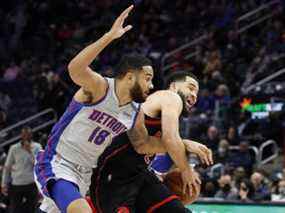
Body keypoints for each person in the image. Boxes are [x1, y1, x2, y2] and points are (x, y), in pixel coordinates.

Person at [34, 5, 198, 213]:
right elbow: (75, 69)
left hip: (86, 175)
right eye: (147, 79)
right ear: (130, 76)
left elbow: (143, 144)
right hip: (58, 162)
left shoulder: (135, 111)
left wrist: (184, 145)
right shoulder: (100, 87)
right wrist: (109, 37)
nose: (152, 85)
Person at [90, 71, 213, 213]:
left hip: (139, 175)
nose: (194, 95)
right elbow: (168, 140)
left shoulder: (165, 112)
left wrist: (183, 143)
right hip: (114, 175)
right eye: (190, 88)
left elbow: (148, 146)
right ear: (173, 86)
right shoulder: (170, 97)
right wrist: (186, 170)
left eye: (197, 92)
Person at [2, 127, 42, 213]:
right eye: (24, 134)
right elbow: (7, 167)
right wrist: (3, 183)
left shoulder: (37, 147)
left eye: (28, 134)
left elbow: (39, 165)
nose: (26, 136)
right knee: (15, 210)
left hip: (31, 184)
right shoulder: (14, 148)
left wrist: (30, 152)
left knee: (32, 209)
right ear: (21, 135)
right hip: (16, 184)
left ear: (31, 135)